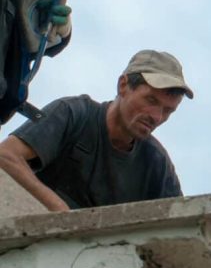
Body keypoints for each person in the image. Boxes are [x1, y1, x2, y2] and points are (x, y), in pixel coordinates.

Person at [0, 50, 192, 212]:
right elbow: (6, 156)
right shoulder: (75, 113)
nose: (157, 117)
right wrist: (65, 216)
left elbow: (182, 224)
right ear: (123, 85)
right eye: (151, 101)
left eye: (168, 111)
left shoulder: (156, 163)